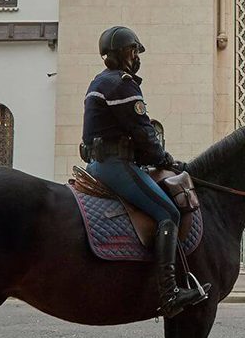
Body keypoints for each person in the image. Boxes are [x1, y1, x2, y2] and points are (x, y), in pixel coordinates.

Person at [82, 25, 210, 318]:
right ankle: (169, 293)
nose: (137, 56)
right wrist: (166, 160)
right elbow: (143, 133)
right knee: (169, 213)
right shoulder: (123, 84)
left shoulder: (98, 82)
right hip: (116, 165)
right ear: (124, 53)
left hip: (97, 162)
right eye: (134, 51)